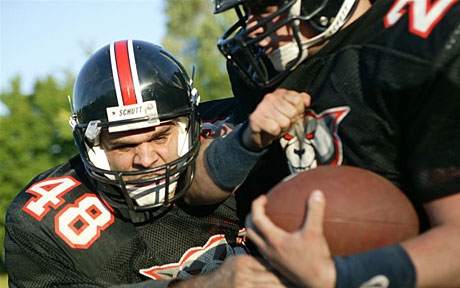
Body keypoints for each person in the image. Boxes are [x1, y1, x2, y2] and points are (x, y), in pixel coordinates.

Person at [197, 0, 460, 287]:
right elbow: (194, 190)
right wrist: (248, 140)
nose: (250, 28)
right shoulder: (262, 68)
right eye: (247, 12)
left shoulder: (418, 47)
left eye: (262, 9)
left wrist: (338, 278)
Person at [4, 40, 288, 288]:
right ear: (94, 147)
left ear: (190, 127)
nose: (146, 159)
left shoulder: (244, 134)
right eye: (125, 146)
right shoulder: (43, 219)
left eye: (161, 137)